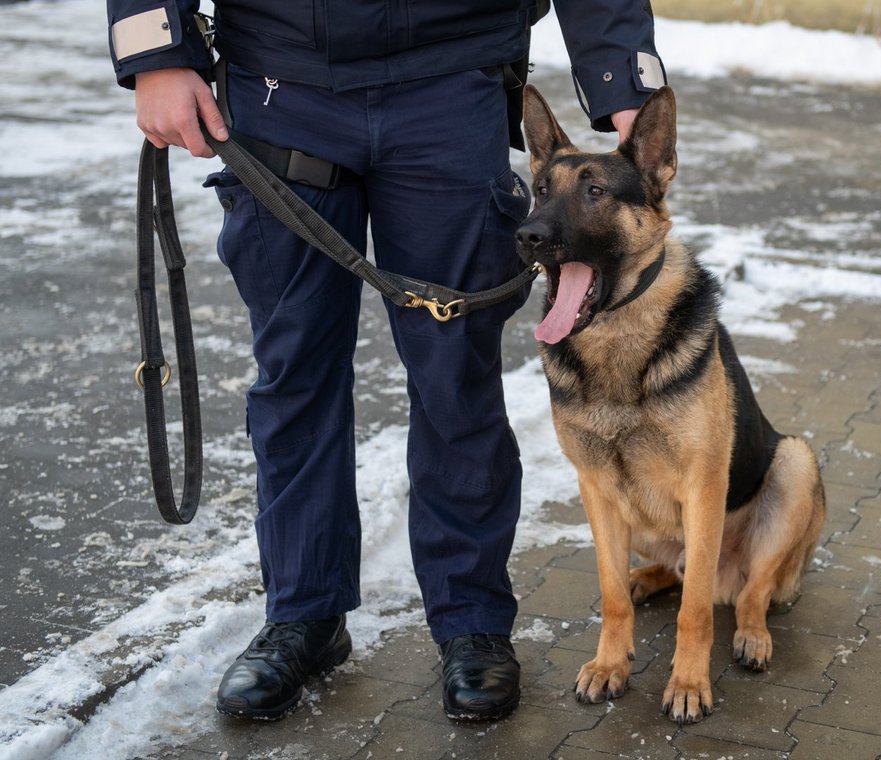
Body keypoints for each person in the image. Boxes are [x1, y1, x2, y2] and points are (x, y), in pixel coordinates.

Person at [106, 0, 667, 722]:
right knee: (294, 373)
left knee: (455, 374)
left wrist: (626, 76)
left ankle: (472, 620)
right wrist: (156, 51)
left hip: (451, 75)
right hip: (282, 76)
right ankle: (303, 614)